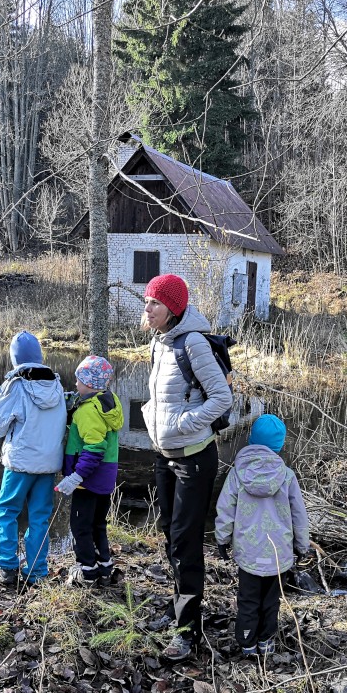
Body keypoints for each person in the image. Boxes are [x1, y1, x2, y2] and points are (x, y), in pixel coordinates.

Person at [141, 273, 232, 661]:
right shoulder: (159, 342)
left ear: (173, 308)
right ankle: (178, 605)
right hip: (165, 455)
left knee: (185, 541)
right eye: (146, 301)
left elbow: (222, 398)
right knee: (169, 533)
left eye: (155, 303)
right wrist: (152, 417)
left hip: (194, 457)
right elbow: (163, 397)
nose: (147, 309)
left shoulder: (192, 343)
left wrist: (183, 424)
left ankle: (187, 632)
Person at [214, 414, 310, 656]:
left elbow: (225, 508)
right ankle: (266, 642)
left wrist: (222, 539)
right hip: (278, 553)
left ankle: (247, 643)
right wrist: (302, 546)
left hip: (249, 551)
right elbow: (299, 515)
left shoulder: (237, 473)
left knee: (248, 599)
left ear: (252, 439)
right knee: (271, 600)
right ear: (279, 445)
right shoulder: (287, 475)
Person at [0, 331, 67, 587]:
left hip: (20, 463)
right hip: (48, 464)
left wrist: (2, 396)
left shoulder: (17, 386)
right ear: (39, 357)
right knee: (40, 517)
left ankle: (7, 566)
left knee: (7, 511)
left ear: (15, 359)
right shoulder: (56, 385)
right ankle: (37, 571)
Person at [55, 355, 124, 586]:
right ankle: (104, 567)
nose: (75, 383)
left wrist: (76, 476)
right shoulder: (108, 402)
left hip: (88, 480)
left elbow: (94, 448)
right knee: (98, 524)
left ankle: (87, 572)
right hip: (104, 477)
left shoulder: (88, 411)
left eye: (79, 380)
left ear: (89, 383)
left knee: (80, 526)